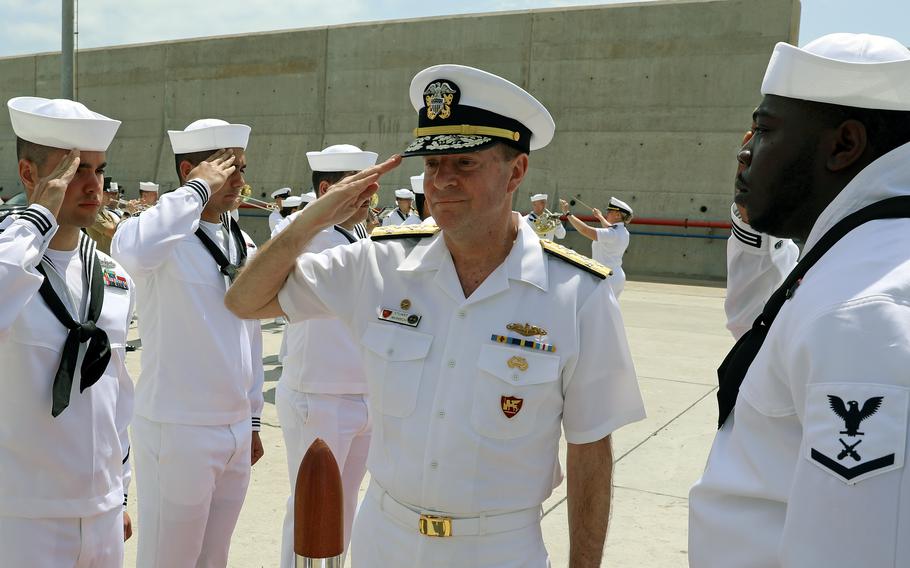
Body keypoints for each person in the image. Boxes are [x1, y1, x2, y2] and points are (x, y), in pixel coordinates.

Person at [225, 63, 645, 567]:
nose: (441, 182)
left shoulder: (578, 294)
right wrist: (317, 215)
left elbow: (590, 451)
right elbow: (243, 300)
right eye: (432, 166)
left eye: (464, 163)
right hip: (384, 537)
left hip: (498, 549)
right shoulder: (381, 264)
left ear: (516, 171)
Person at [689, 33, 910, 567]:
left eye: (764, 130)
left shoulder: (862, 311)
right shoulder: (853, 258)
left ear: (844, 145)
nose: (744, 151)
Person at [111, 118, 265, 568]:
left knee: (213, 557)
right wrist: (197, 193)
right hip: (180, 428)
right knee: (169, 559)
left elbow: (250, 334)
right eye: (226, 169)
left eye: (241, 167)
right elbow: (131, 251)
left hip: (234, 426)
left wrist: (254, 418)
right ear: (188, 171)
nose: (238, 179)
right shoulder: (161, 236)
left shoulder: (241, 237)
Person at [0, 96, 134, 567]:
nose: (93, 185)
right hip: (22, 516)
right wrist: (35, 220)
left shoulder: (114, 276)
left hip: (99, 510)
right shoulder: (8, 258)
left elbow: (116, 393)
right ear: (29, 173)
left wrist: (119, 490)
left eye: (98, 170)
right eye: (73, 169)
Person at [273, 143, 377, 567]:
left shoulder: (361, 232)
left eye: (370, 188)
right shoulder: (305, 236)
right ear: (325, 190)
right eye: (356, 189)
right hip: (319, 393)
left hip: (362, 391)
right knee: (311, 511)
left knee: (345, 507)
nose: (368, 199)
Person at [561, 197, 633, 298]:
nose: (607, 213)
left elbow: (585, 230)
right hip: (614, 276)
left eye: (609, 211)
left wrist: (568, 213)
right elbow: (609, 227)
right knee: (607, 311)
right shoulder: (623, 231)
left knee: (598, 311)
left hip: (605, 277)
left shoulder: (612, 234)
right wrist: (600, 217)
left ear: (617, 215)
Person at [86, 181, 126, 255]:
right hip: (102, 259)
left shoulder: (107, 213)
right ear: (99, 194)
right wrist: (127, 213)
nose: (111, 196)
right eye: (108, 193)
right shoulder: (92, 214)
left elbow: (122, 231)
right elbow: (113, 232)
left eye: (113, 194)